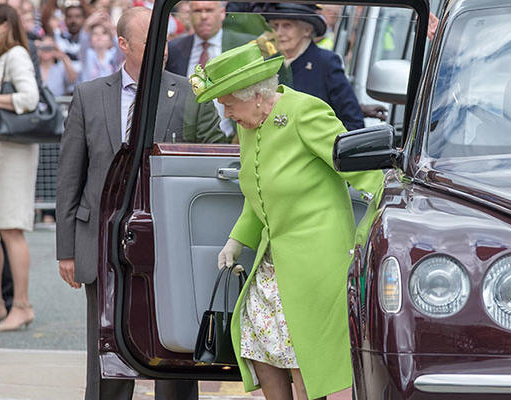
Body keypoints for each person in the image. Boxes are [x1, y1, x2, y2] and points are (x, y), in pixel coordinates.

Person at [188, 41, 383, 399]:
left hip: (317, 255)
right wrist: (237, 241)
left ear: (256, 96)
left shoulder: (304, 112)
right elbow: (257, 190)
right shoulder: (249, 126)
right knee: (257, 343)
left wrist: (385, 210)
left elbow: (358, 165)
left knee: (304, 355)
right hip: (274, 255)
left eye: (229, 104)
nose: (227, 114)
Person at [56, 7, 221, 400]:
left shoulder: (190, 95)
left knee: (174, 348)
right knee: (107, 349)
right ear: (124, 45)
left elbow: (213, 160)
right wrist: (66, 250)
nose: (162, 50)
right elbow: (70, 177)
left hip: (170, 243)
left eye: (164, 40)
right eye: (152, 42)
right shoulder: (89, 95)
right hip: (102, 242)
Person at [0, 3, 39, 332]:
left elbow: (29, 98)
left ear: (5, 26)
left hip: (12, 154)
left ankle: (22, 304)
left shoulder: (16, 55)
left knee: (10, 228)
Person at [265, 3, 365, 131]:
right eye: (275, 26)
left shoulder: (326, 63)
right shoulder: (269, 65)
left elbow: (353, 122)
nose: (279, 33)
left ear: (307, 30)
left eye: (287, 26)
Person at [166, 1, 255, 141]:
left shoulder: (244, 46)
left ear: (222, 13)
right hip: (185, 143)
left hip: (237, 139)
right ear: (189, 14)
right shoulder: (173, 50)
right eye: (197, 11)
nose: (203, 16)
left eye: (209, 10)